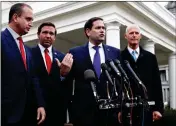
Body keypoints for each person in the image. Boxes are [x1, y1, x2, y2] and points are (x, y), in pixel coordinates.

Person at [67, 17, 121, 126]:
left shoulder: (115, 52)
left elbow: (119, 82)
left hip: (109, 112)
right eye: (98, 28)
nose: (102, 30)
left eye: (103, 28)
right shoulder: (75, 53)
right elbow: (68, 83)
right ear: (88, 31)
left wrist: (120, 108)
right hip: (83, 113)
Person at [1, 3, 46, 126]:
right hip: (5, 114)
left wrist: (40, 104)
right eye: (28, 19)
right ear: (15, 17)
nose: (31, 23)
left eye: (32, 20)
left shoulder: (27, 50)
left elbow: (33, 78)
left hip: (28, 114)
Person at [119, 24, 164, 126]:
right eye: (131, 33)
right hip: (127, 110)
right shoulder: (119, 57)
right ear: (125, 36)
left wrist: (158, 109)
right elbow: (118, 85)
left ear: (140, 36)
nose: (134, 35)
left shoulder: (150, 57)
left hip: (147, 110)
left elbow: (156, 84)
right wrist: (119, 110)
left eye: (136, 33)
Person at [31, 22, 73, 126]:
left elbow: (67, 84)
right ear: (38, 34)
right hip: (33, 108)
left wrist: (63, 74)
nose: (48, 36)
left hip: (57, 110)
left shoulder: (62, 56)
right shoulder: (28, 53)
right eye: (45, 32)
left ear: (54, 37)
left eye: (51, 33)